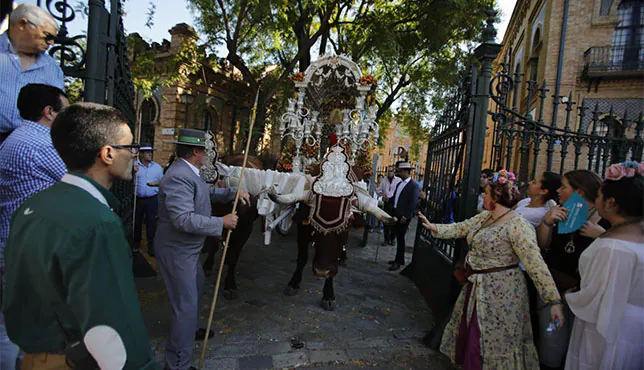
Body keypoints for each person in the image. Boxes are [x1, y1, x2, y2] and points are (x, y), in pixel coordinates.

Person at [2, 103, 159, 369]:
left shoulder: (32, 206)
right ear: (108, 153)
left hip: (31, 359)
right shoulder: (98, 222)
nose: (134, 155)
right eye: (130, 147)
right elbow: (112, 323)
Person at [418, 169, 564, 369]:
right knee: (473, 334)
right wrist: (434, 228)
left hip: (502, 292)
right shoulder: (485, 217)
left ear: (497, 197)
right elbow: (461, 228)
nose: (483, 196)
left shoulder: (518, 225)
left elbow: (535, 263)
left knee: (495, 339)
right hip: (478, 287)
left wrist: (552, 299)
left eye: (486, 193)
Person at [155, 128, 249, 370]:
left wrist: (234, 192)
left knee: (196, 289)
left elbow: (205, 194)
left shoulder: (189, 172)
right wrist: (221, 222)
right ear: (196, 151)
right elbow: (183, 219)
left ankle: (190, 331)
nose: (208, 154)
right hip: (178, 251)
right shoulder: (179, 176)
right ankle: (177, 365)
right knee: (184, 308)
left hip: (189, 250)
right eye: (205, 150)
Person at [0, 83, 68, 370]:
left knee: (8, 328)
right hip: (33, 251)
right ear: (49, 112)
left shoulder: (12, 140)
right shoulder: (43, 144)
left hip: (11, 242)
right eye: (65, 111)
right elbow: (79, 181)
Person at [564, 160, 643, 370]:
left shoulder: (613, 247)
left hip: (609, 324)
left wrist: (571, 295)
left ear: (611, 203)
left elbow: (597, 297)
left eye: (599, 195)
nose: (596, 199)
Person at [534, 169, 606, 368]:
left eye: (564, 186)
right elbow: (543, 245)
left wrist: (602, 235)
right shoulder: (561, 212)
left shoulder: (606, 222)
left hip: (584, 294)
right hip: (553, 289)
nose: (558, 190)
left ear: (579, 192)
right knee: (551, 341)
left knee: (577, 344)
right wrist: (547, 223)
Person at [1, 4, 64, 144]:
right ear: (23, 24)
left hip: (29, 144)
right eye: (47, 36)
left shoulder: (52, 69)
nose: (52, 42)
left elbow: (58, 110)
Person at [388, 162, 420, 271]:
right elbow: (395, 197)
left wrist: (406, 216)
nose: (398, 173)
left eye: (400, 171)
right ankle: (399, 259)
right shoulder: (399, 184)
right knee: (398, 236)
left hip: (404, 216)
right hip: (397, 213)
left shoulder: (413, 185)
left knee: (401, 238)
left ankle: (398, 261)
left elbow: (413, 203)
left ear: (406, 171)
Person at [133, 144, 163, 256]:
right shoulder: (135, 166)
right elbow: (127, 180)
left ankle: (151, 246)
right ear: (141, 154)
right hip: (138, 199)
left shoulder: (157, 168)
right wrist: (133, 173)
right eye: (147, 152)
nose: (150, 154)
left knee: (151, 223)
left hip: (152, 199)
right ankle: (136, 243)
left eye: (151, 152)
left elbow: (162, 182)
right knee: (137, 221)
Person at [376, 167, 401, 246]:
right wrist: (382, 195)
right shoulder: (384, 180)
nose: (389, 173)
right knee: (386, 221)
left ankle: (392, 239)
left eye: (391, 171)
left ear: (394, 172)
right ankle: (386, 239)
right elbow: (379, 190)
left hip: (395, 203)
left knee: (394, 221)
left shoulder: (398, 180)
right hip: (387, 202)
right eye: (388, 171)